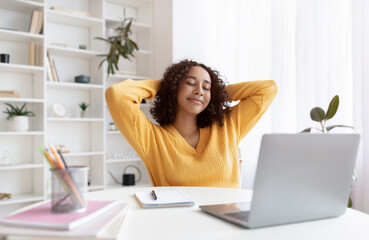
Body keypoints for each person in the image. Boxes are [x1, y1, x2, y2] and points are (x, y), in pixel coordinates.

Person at [105, 59, 277, 188]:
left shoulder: (227, 126)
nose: (199, 91)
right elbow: (117, 94)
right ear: (175, 88)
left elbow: (267, 89)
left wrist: (217, 93)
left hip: (227, 228)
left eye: (206, 87)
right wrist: (166, 87)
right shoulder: (152, 139)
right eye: (190, 83)